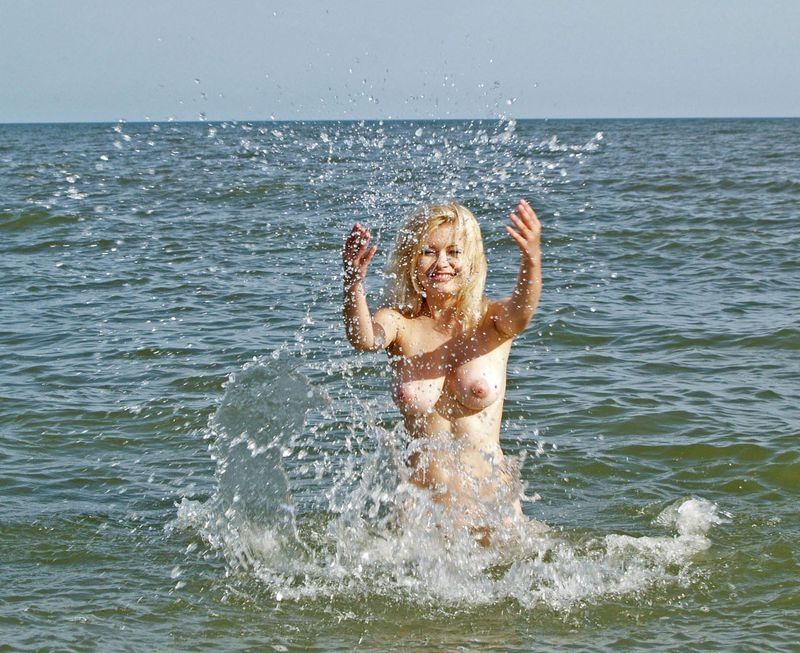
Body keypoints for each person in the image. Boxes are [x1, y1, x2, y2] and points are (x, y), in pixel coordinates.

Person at [342, 200, 541, 544]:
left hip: (492, 509)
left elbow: (523, 312)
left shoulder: (492, 321)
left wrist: (531, 259)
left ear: (472, 261)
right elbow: (363, 338)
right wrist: (353, 283)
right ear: (411, 261)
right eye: (428, 252)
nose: (442, 263)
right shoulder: (399, 324)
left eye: (454, 251)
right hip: (420, 515)